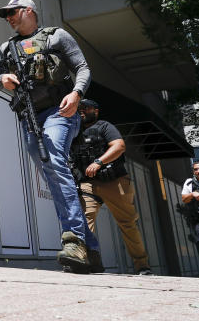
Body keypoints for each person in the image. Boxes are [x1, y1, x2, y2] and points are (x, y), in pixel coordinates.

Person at [0, 0, 101, 273]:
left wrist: (76, 93)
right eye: (6, 15)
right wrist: (2, 80)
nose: (9, 18)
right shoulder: (7, 48)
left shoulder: (56, 36)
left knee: (55, 163)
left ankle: (74, 240)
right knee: (53, 173)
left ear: (29, 11)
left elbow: (82, 68)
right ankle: (92, 250)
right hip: (30, 119)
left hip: (60, 113)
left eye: (12, 12)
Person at [69, 99, 153, 275]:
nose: (82, 110)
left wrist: (99, 162)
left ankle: (142, 266)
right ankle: (85, 261)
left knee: (127, 223)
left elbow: (119, 146)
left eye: (86, 108)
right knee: (84, 221)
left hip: (114, 181)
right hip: (88, 183)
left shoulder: (104, 126)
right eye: (79, 108)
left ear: (96, 111)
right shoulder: (74, 130)